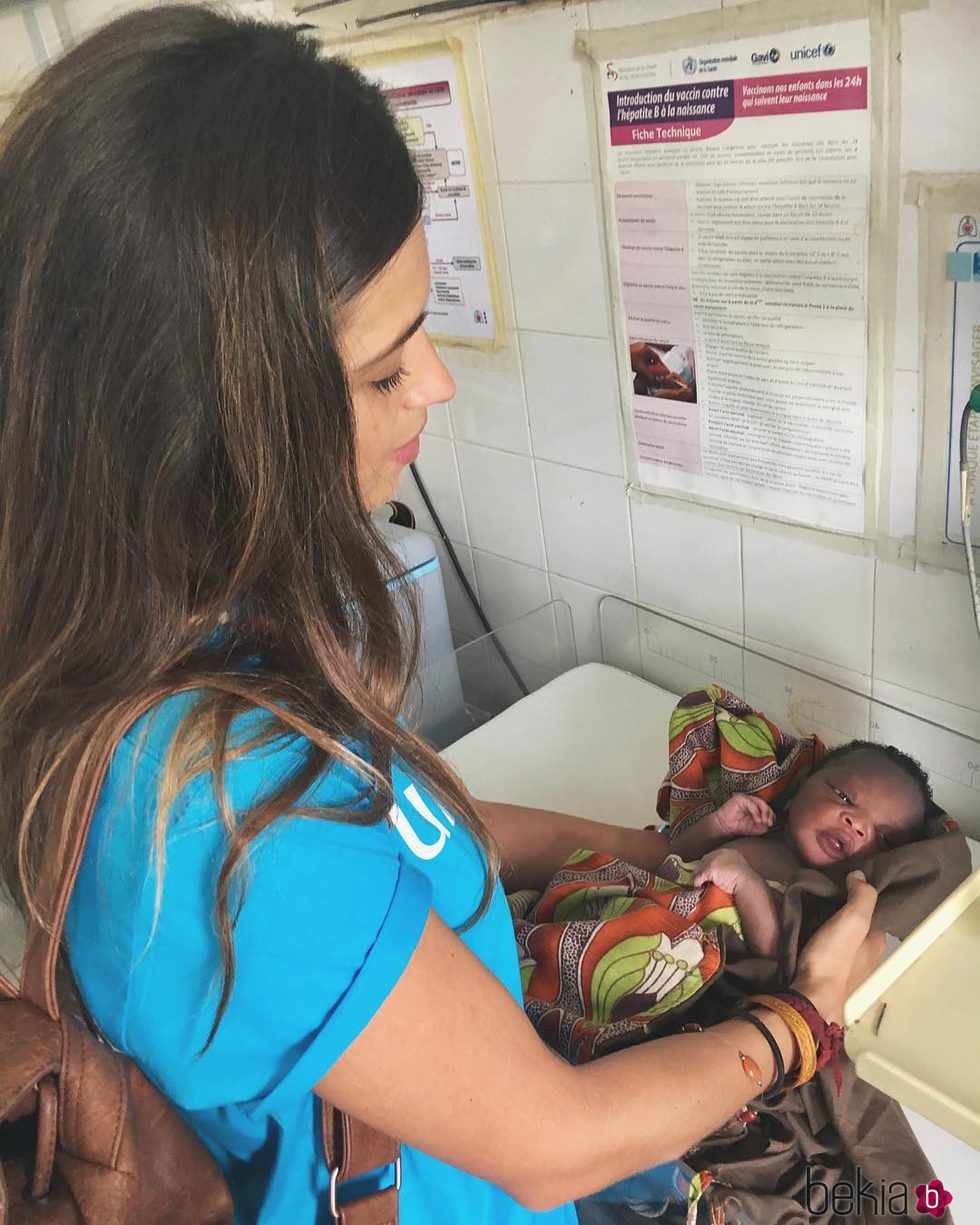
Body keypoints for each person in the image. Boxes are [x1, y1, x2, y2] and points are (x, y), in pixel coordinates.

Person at [0, 9, 884, 1224]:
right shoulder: (213, 808)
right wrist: (802, 1020)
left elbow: (410, 818)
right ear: (194, 425)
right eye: (382, 368)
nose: (437, 383)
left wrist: (646, 854)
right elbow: (549, 1144)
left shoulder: (201, 636)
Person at [674, 742, 932, 958]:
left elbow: (776, 953)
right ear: (799, 789)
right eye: (844, 797)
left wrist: (746, 883)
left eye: (884, 837)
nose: (860, 825)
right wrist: (718, 825)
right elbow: (676, 857)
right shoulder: (761, 833)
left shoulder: (821, 894)